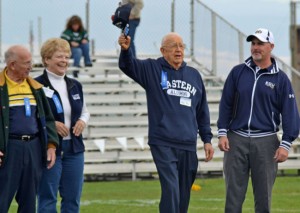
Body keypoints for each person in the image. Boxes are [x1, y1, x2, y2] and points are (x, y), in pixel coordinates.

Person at [118, 32, 214, 212]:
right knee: (171, 189)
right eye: (173, 46)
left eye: (181, 46)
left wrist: (207, 139)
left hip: (188, 144)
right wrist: (126, 50)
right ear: (163, 50)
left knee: (182, 195)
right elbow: (128, 65)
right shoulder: (152, 69)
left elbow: (202, 111)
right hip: (163, 142)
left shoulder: (194, 75)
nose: (178, 50)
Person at [217, 28, 300, 213]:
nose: (255, 47)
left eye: (260, 43)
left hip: (266, 143)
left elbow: (290, 113)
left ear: (271, 47)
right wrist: (222, 132)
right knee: (233, 198)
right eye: (253, 43)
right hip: (235, 140)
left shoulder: (281, 79)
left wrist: (285, 144)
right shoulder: (237, 72)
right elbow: (226, 104)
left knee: (263, 199)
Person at [0, 45, 59, 213]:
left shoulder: (35, 87)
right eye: (26, 63)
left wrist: (51, 145)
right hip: (8, 149)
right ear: (12, 65)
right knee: (2, 199)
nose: (30, 66)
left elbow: (47, 119)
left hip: (33, 148)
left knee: (29, 201)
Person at [36, 38, 90, 213]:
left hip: (74, 150)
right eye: (59, 56)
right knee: (47, 199)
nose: (64, 61)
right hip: (49, 149)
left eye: (67, 57)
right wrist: (51, 124)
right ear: (46, 59)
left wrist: (82, 121)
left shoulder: (76, 85)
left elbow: (85, 111)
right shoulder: (35, 85)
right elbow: (31, 117)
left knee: (73, 200)